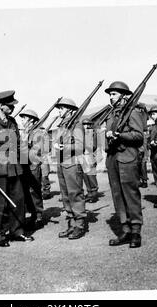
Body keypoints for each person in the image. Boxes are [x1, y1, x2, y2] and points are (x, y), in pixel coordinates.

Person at [0, 90, 34, 247]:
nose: (13, 108)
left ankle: (17, 231)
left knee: (18, 200)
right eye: (10, 105)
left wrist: (25, 166)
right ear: (1, 105)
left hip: (15, 168)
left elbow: (17, 145)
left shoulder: (12, 122)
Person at [104, 81, 144, 248]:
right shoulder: (111, 114)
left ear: (123, 95)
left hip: (127, 157)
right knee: (117, 195)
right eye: (110, 94)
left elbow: (138, 135)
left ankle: (136, 231)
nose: (111, 97)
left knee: (131, 195)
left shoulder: (132, 112)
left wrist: (120, 135)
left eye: (114, 94)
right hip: (113, 158)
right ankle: (125, 229)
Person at [54, 97, 88, 240]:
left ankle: (79, 225)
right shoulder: (62, 125)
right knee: (66, 195)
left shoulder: (76, 124)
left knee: (75, 194)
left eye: (61, 108)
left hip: (72, 164)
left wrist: (64, 147)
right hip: (62, 164)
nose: (60, 111)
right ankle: (71, 224)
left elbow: (80, 146)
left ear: (69, 110)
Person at [19, 109, 45, 229]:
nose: (22, 121)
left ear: (30, 120)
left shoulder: (39, 133)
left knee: (34, 191)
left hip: (33, 165)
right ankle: (32, 215)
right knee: (26, 192)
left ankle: (38, 216)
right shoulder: (25, 132)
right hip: (24, 165)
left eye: (24, 118)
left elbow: (37, 150)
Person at [81, 118, 99, 203]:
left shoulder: (92, 133)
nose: (85, 126)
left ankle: (94, 193)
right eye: (84, 124)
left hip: (90, 156)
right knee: (85, 176)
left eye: (87, 124)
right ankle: (89, 193)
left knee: (91, 176)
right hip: (83, 157)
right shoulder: (82, 134)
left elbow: (94, 146)